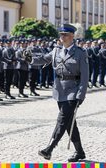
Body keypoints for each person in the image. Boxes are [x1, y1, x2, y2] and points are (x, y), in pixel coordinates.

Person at [26, 24, 89, 162]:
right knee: (69, 122)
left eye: (65, 34)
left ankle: (49, 148)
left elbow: (84, 77)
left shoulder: (80, 53)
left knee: (62, 120)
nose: (62, 37)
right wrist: (30, 59)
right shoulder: (56, 50)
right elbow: (44, 59)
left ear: (72, 36)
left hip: (73, 91)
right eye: (61, 34)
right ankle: (80, 152)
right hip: (59, 90)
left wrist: (81, 95)